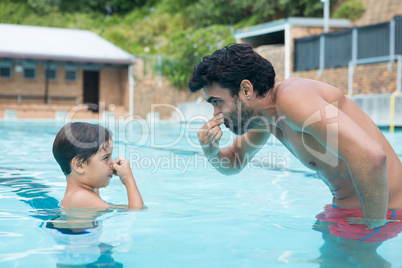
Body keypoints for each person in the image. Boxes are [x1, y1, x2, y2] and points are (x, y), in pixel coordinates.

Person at [188, 43, 402, 231]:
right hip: (348, 211)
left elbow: (372, 156)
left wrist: (373, 225)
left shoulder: (294, 99)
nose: (216, 113)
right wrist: (211, 150)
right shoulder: (264, 117)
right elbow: (234, 160)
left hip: (386, 212)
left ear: (246, 89)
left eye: (217, 101)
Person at [53, 122, 143, 209]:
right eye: (105, 158)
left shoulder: (88, 192)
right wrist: (128, 179)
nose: (113, 164)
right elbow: (136, 212)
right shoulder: (80, 197)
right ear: (79, 165)